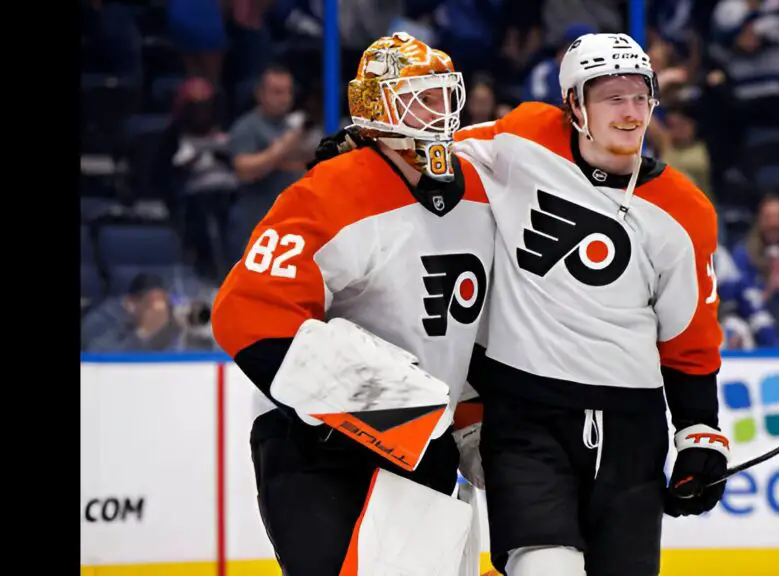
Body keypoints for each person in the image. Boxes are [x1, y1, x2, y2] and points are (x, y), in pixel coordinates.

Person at [210, 32, 493, 576]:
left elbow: (467, 330)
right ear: (374, 107)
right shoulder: (330, 191)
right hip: (317, 446)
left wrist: (469, 421)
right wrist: (393, 410)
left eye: (442, 95)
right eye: (419, 96)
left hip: (425, 446)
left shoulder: (479, 193)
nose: (437, 111)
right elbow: (246, 314)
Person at [455, 33, 728, 576]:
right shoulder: (523, 139)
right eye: (611, 97)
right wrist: (361, 150)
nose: (630, 114)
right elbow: (433, 149)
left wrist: (700, 434)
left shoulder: (685, 210)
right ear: (575, 104)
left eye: (640, 97)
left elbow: (689, 339)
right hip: (525, 419)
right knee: (544, 568)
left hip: (633, 430)